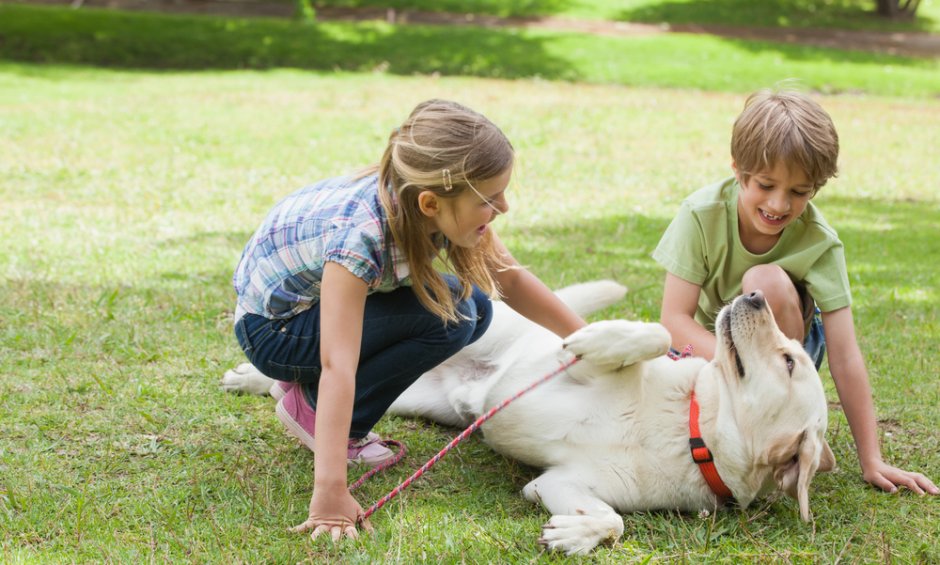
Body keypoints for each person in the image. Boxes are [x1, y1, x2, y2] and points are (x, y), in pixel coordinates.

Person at [232, 99, 587, 541]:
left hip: (305, 313)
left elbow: (509, 278)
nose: (504, 207)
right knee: (452, 311)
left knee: (470, 307)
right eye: (490, 199)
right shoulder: (360, 239)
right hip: (275, 333)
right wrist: (330, 495)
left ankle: (305, 395)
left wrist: (592, 340)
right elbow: (336, 364)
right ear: (431, 202)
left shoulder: (423, 205)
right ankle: (313, 407)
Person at [652, 87, 938, 496]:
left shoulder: (819, 242)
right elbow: (674, 320)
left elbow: (844, 352)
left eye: (799, 192)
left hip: (788, 356)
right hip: (716, 347)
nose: (779, 204)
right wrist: (736, 368)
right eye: (766, 185)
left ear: (816, 188)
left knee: (762, 282)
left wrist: (871, 458)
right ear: (738, 170)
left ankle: (781, 409)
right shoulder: (700, 215)